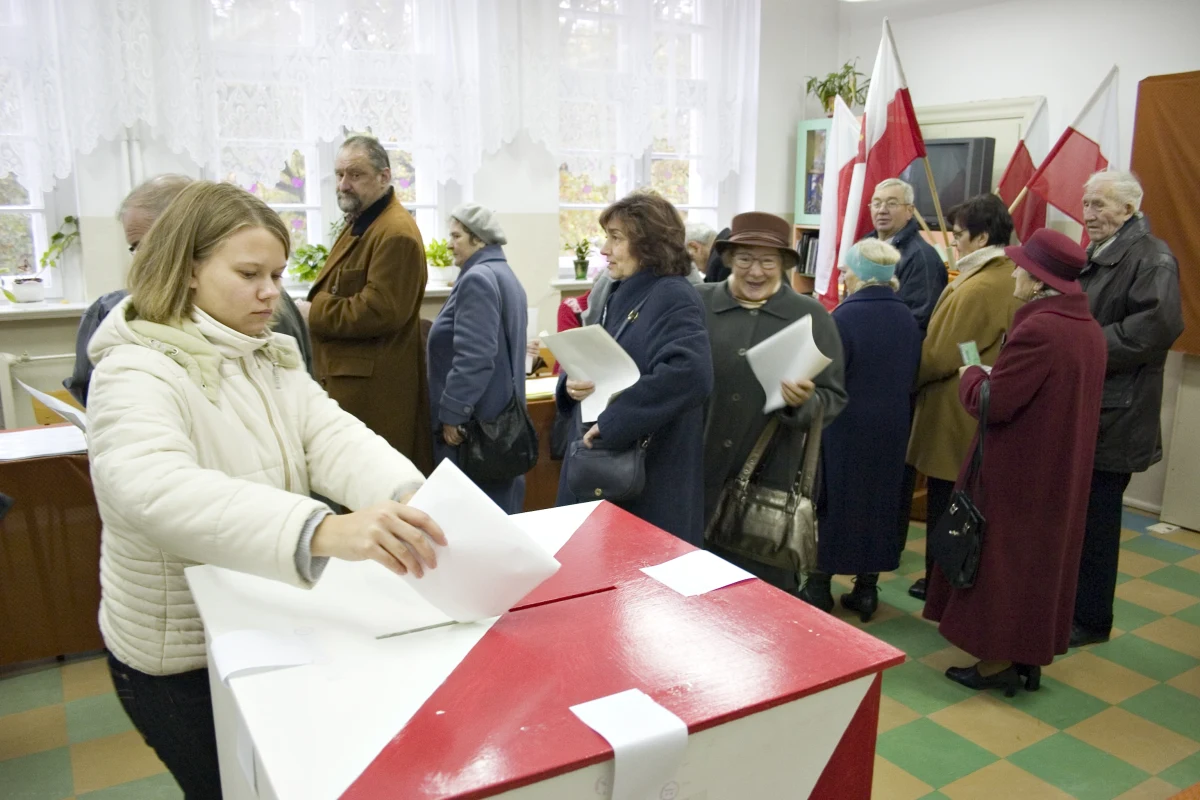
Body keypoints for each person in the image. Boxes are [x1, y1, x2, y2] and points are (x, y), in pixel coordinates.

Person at [86, 182, 446, 798]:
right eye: (249, 273)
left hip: (256, 621)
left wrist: (416, 499)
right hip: (182, 660)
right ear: (187, 269)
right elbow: (151, 489)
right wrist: (323, 530)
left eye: (277, 274)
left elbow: (331, 437)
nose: (270, 293)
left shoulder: (263, 354)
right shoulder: (135, 367)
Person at [924, 228, 1106, 695]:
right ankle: (1025, 654)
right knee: (1039, 564)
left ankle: (994, 663)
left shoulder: (1040, 329)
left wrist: (970, 378)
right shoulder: (1085, 328)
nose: (1015, 276)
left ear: (1040, 281)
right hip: (1056, 469)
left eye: (1022, 269)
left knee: (1003, 564)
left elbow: (995, 402)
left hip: (1017, 470)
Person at [64, 174, 313, 404]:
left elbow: (312, 419)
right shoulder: (135, 372)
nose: (269, 291)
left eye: (143, 246)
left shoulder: (270, 332)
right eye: (248, 273)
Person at [698, 212, 846, 592]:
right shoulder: (697, 305)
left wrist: (805, 402)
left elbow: (833, 397)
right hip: (694, 473)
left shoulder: (810, 316)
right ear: (728, 259)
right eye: (745, 258)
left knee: (758, 594)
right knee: (691, 587)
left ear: (783, 264)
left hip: (768, 478)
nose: (756, 270)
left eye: (768, 260)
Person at [555, 191, 713, 545]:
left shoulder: (673, 294)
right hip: (615, 464)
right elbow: (607, 357)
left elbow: (689, 373)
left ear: (649, 243)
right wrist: (570, 383)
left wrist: (614, 422)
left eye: (616, 238)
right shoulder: (622, 290)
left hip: (651, 472)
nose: (604, 248)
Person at [1071, 171, 1184, 647]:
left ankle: (1092, 620)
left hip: (1118, 411)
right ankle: (1075, 608)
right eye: (1086, 203)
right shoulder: (1101, 251)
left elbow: (1154, 329)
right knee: (1081, 519)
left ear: (1129, 208)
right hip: (1095, 403)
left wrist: (1080, 344)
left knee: (1097, 524)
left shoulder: (1151, 257)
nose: (1089, 214)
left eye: (1100, 205)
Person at [901, 194, 1021, 600]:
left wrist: (906, 379)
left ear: (981, 236)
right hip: (972, 401)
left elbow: (940, 353)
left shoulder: (978, 286)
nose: (954, 242)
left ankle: (939, 583)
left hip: (953, 408)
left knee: (945, 502)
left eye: (958, 235)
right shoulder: (1006, 274)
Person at [303, 135, 433, 473]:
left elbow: (378, 311)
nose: (344, 184)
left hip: (374, 398)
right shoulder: (363, 221)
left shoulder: (395, 233)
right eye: (339, 174)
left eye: (355, 175)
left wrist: (312, 312)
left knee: (371, 496)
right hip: (350, 388)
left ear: (384, 176)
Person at [804, 240, 920, 618]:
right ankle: (867, 590)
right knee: (879, 502)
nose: (842, 275)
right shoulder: (906, 317)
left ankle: (820, 586)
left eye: (847, 269)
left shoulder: (843, 318)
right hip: (892, 426)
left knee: (834, 501)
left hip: (845, 426)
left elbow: (827, 376)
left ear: (862, 274)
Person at [427, 204, 528, 513]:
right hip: (500, 427)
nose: (449, 243)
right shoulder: (504, 274)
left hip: (476, 431)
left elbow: (475, 356)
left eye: (456, 236)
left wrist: (454, 414)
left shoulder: (477, 279)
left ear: (479, 240)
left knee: (475, 518)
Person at [861, 178, 947, 333]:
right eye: (876, 203)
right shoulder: (863, 248)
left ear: (909, 211)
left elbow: (916, 320)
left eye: (892, 203)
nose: (882, 210)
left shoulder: (922, 257)